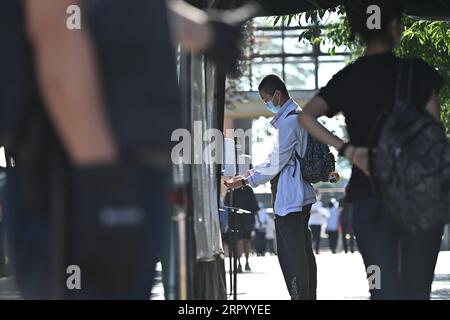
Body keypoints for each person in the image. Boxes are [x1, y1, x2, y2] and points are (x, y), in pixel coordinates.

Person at [2, 0, 248, 299]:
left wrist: (207, 32)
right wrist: (101, 182)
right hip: (75, 173)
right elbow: (57, 27)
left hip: (116, 169)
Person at [299, 0, 445, 299]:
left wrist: (349, 149)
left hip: (370, 197)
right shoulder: (417, 72)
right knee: (416, 292)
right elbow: (435, 133)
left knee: (382, 290)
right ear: (394, 27)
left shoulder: (348, 78)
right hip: (420, 200)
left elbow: (306, 116)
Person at [225, 75, 317, 300]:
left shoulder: (290, 122)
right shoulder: (295, 117)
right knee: (302, 253)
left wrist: (246, 180)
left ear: (277, 94)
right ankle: (307, 296)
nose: (267, 104)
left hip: (290, 199)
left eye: (267, 99)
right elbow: (276, 157)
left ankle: (301, 297)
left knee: (292, 256)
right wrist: (251, 172)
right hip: (299, 196)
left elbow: (277, 161)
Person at [224, 185, 258, 272]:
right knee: (247, 241)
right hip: (247, 219)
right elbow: (254, 206)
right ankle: (247, 262)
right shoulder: (248, 189)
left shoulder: (232, 189)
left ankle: (239, 263)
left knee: (238, 241)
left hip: (236, 219)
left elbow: (226, 205)